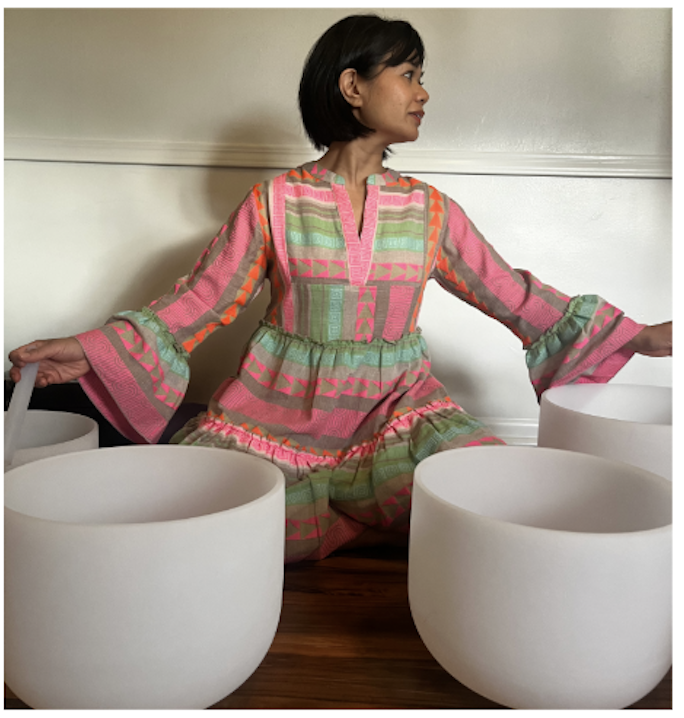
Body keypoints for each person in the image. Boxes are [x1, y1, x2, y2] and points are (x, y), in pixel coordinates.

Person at [8, 14, 672, 563]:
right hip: (275, 413)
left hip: (398, 414)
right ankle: (351, 521)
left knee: (492, 500)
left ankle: (355, 517)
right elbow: (202, 298)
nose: (424, 93)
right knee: (204, 523)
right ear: (353, 85)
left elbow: (511, 293)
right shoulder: (274, 202)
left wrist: (634, 335)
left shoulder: (430, 211)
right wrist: (90, 349)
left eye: (422, 77)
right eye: (409, 74)